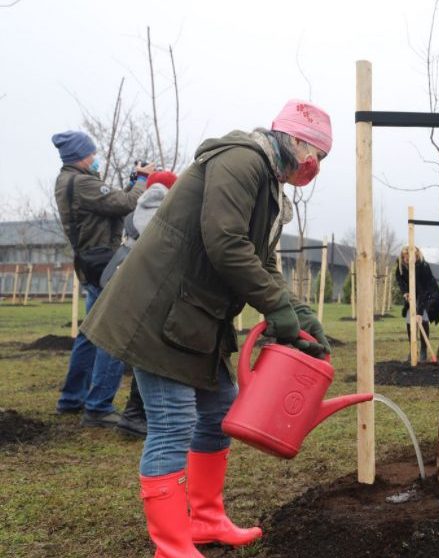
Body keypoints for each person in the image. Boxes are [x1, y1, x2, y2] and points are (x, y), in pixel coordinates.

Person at [81, 100, 334, 557]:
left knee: (218, 411)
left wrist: (297, 312)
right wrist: (275, 309)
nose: (316, 165)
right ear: (294, 140)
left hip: (195, 316)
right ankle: (172, 546)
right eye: (315, 152)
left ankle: (205, 520)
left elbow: (263, 263)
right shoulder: (242, 160)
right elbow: (226, 243)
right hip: (158, 309)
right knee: (173, 423)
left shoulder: (271, 187)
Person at [52, 130, 154, 428]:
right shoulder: (82, 182)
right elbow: (124, 203)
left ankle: (72, 398)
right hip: (102, 262)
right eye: (91, 154)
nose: (95, 159)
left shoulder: (70, 181)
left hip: (90, 260)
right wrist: (142, 180)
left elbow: (110, 202)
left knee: (89, 331)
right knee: (111, 330)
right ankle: (98, 406)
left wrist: (131, 185)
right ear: (79, 157)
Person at [100, 170, 179, 438]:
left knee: (145, 353)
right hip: (148, 287)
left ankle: (135, 415)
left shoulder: (140, 206)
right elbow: (159, 242)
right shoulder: (157, 203)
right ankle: (135, 416)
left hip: (137, 287)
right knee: (149, 352)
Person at [395, 246, 439, 363]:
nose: (408, 260)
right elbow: (400, 281)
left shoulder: (423, 267)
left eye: (411, 257)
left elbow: (423, 291)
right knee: (409, 319)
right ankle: (413, 349)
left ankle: (423, 350)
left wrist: (419, 312)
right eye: (405, 257)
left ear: (416, 256)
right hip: (413, 295)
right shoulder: (400, 267)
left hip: (429, 296)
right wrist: (405, 292)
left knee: (423, 318)